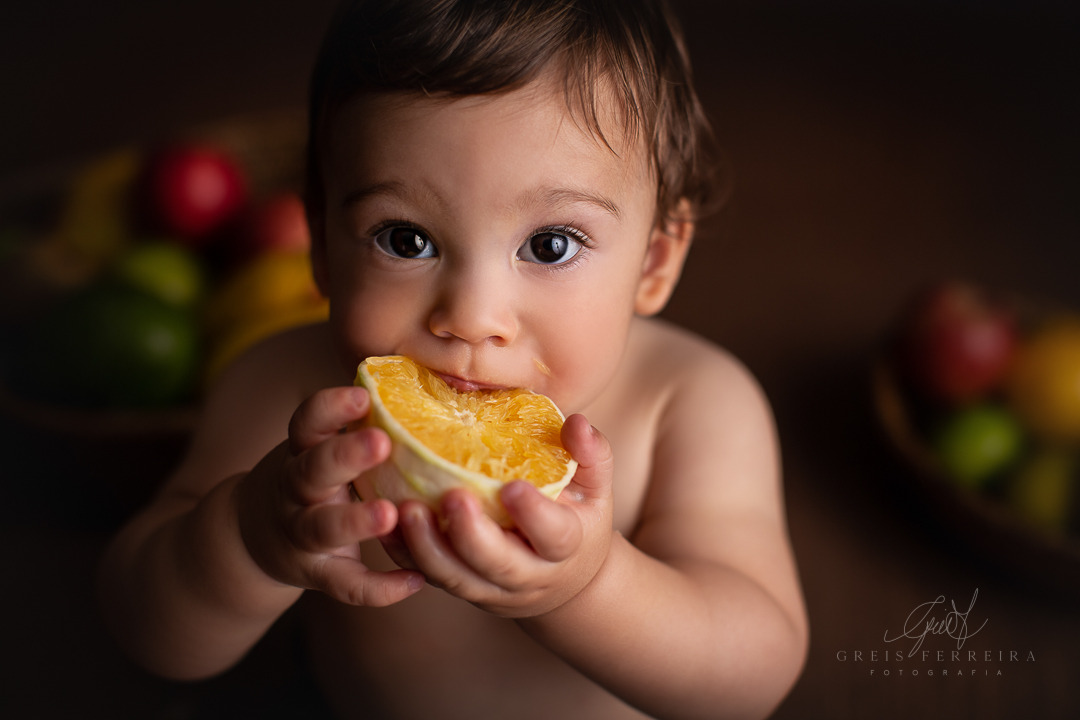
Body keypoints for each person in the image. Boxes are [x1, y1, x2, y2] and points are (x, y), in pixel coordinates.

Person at [98, 1, 808, 718]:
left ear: (654, 260)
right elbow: (147, 629)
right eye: (405, 240)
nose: (470, 316)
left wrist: (589, 587)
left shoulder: (691, 402)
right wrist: (248, 539)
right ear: (319, 243)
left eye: (551, 244)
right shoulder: (285, 390)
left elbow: (751, 679)